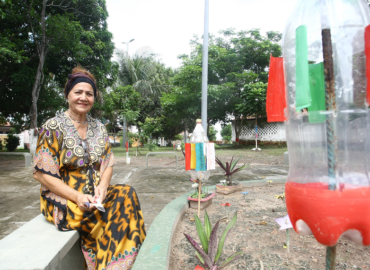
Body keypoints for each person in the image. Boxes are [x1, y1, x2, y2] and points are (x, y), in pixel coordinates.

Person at [33, 66, 146, 270]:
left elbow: (107, 162)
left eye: (89, 93)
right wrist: (77, 197)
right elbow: (42, 174)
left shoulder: (99, 128)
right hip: (64, 199)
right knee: (109, 217)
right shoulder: (52, 127)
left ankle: (115, 266)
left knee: (126, 194)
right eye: (78, 92)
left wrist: (103, 187)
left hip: (95, 197)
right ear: (68, 94)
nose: (83, 97)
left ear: (94, 98)